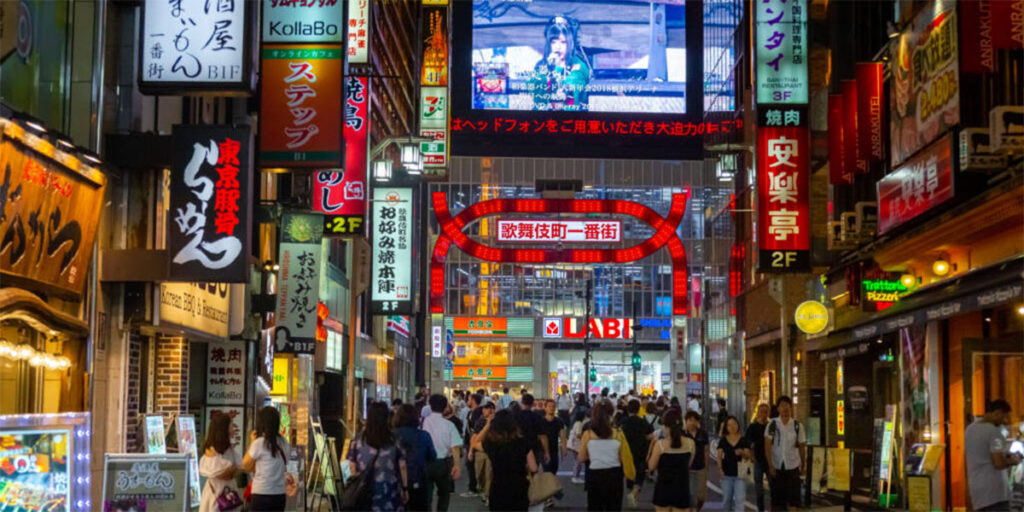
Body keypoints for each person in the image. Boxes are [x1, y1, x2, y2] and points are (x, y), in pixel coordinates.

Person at [347, 402, 409, 511]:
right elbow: (402, 466)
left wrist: (356, 482)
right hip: (390, 491)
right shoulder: (394, 440)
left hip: (365, 492)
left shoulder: (357, 440)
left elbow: (352, 465)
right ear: (387, 417)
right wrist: (405, 488)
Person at [966, 399, 1023, 511]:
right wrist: (1013, 461)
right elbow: (998, 463)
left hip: (976, 489)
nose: (1005, 421)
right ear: (998, 413)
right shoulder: (994, 432)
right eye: (1004, 417)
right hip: (994, 493)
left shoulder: (970, 429)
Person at [476, 409, 538, 511]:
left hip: (498, 488)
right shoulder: (522, 442)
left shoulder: (492, 444)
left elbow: (475, 442)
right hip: (519, 488)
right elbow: (534, 467)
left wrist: (487, 425)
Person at [578, 401, 635, 511]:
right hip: (615, 476)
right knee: (614, 507)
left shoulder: (588, 435)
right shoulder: (618, 434)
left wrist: (594, 455)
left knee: (595, 507)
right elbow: (625, 457)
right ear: (612, 414)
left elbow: (581, 458)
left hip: (594, 476)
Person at [528, 15, 591, 111]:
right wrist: (549, 68)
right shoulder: (541, 65)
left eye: (563, 42)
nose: (558, 47)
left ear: (571, 43)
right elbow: (537, 98)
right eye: (554, 42)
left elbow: (571, 86)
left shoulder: (579, 66)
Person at [242, 407, 292, 512]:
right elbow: (285, 462)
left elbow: (245, 464)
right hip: (279, 495)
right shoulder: (284, 443)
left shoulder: (259, 443)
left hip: (261, 494)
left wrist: (251, 442)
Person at [764, 396, 806, 511]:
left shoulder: (797, 426)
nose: (785, 408)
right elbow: (767, 446)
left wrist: (803, 464)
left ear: (791, 408)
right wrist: (770, 465)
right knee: (778, 503)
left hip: (793, 467)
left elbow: (802, 446)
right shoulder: (772, 424)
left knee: (794, 502)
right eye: (782, 406)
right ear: (778, 409)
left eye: (787, 405)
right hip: (777, 467)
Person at [421, 394, 462, 512]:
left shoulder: (423, 422)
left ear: (430, 406)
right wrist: (457, 466)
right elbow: (455, 447)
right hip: (443, 464)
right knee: (444, 494)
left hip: (426, 463)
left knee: (426, 495)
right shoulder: (449, 425)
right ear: (445, 407)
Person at [648, 408, 694, 512]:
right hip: (682, 489)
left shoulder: (660, 445)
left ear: (665, 425)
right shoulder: (691, 443)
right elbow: (689, 464)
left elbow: (651, 466)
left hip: (663, 489)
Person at [394, 404, 437, 511]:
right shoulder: (424, 435)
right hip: (418, 479)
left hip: (395, 481)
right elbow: (432, 456)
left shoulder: (391, 436)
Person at [199, 412, 241, 512]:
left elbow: (238, 468)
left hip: (225, 494)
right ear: (223, 428)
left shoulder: (228, 449)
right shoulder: (211, 451)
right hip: (218, 495)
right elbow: (222, 473)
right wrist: (232, 471)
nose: (233, 427)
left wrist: (231, 471)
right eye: (231, 424)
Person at [621, 399, 654, 508]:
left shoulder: (624, 422)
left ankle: (631, 495)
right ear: (638, 409)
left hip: (627, 452)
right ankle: (634, 495)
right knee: (640, 475)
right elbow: (651, 435)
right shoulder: (642, 421)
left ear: (628, 409)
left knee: (629, 474)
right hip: (641, 452)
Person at [717, 416, 751, 512]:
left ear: (738, 425)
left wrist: (742, 453)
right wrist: (720, 469)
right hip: (726, 475)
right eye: (729, 425)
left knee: (740, 501)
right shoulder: (723, 440)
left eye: (734, 424)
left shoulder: (744, 440)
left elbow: (748, 456)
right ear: (726, 428)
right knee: (726, 501)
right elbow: (719, 456)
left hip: (740, 475)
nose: (732, 427)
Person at [744, 403, 771, 511]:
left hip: (770, 461)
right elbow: (747, 441)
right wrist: (751, 454)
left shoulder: (770, 425)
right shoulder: (753, 426)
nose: (763, 414)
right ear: (758, 412)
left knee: (773, 487)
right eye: (761, 411)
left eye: (766, 412)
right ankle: (761, 509)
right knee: (759, 489)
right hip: (758, 460)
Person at [683, 411, 710, 512]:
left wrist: (707, 467)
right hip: (687, 468)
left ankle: (697, 508)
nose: (692, 423)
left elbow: (706, 450)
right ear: (686, 421)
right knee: (689, 493)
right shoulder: (682, 434)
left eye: (694, 420)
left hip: (701, 466)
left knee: (701, 495)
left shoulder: (703, 434)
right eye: (690, 420)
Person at [471, 402, 496, 505]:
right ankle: (482, 490)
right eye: (485, 409)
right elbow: (474, 437)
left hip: (491, 451)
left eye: (489, 409)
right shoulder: (480, 421)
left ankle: (488, 495)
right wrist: (470, 451)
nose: (487, 411)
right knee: (479, 474)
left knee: (489, 474)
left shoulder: (497, 421)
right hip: (480, 450)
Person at [514, 393, 550, 466]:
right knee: (534, 471)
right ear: (533, 403)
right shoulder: (537, 417)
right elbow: (542, 436)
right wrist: (546, 452)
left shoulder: (515, 416)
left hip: (518, 448)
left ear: (522, 402)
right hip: (533, 447)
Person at [460, 394, 483, 498]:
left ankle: (473, 488)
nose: (467, 401)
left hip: (474, 442)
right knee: (470, 465)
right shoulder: (471, 412)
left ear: (473, 400)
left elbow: (475, 431)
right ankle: (473, 487)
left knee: (471, 464)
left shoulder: (478, 413)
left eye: (468, 399)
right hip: (469, 441)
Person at [542, 399, 568, 475]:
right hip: (543, 450)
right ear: (545, 408)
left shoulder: (559, 421)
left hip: (554, 449)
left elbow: (562, 435)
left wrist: (564, 449)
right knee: (547, 470)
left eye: (553, 406)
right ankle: (548, 486)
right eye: (549, 406)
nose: (551, 408)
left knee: (554, 470)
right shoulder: (541, 421)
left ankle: (551, 485)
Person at [568, 406, 588, 484]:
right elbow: (578, 434)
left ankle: (576, 476)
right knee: (578, 461)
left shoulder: (576, 423)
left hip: (574, 444)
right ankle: (575, 476)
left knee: (577, 461)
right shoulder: (579, 424)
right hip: (576, 445)